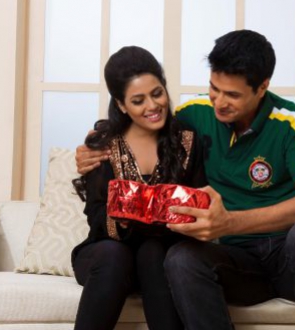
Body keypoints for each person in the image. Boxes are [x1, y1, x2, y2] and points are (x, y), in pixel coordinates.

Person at [76, 30, 295, 330]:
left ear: (262, 87)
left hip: (289, 259)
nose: (219, 102)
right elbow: (146, 125)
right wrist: (94, 146)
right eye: (214, 88)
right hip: (235, 260)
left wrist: (229, 222)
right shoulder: (195, 115)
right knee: (180, 258)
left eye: (232, 95)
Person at [71, 46, 206, 330]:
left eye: (157, 93)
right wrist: (122, 217)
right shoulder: (103, 145)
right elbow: (96, 215)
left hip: (160, 254)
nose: (152, 106)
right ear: (121, 105)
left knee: (152, 251)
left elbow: (198, 204)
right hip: (108, 255)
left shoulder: (187, 140)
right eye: (138, 100)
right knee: (115, 255)